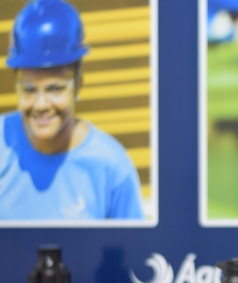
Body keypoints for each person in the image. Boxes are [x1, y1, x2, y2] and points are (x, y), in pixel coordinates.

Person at [0, 0, 144, 221]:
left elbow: (134, 252)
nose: (41, 105)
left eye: (55, 89)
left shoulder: (111, 167)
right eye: (28, 90)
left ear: (78, 84)